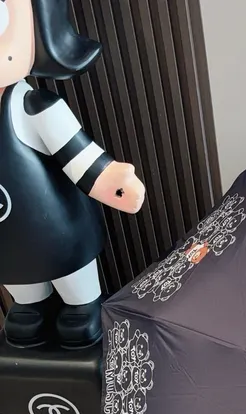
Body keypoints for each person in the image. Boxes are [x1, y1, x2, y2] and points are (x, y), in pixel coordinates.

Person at [0, 0, 145, 348]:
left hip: (55, 223)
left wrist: (110, 179)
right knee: (18, 275)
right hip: (7, 236)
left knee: (71, 272)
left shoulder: (35, 107)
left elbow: (78, 154)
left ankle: (83, 304)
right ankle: (29, 305)